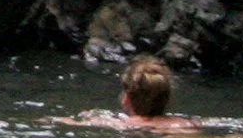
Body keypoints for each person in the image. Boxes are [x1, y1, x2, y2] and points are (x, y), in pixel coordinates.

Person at [54, 54, 200, 133]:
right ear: (166, 99)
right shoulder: (186, 123)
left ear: (127, 98)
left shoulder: (120, 124)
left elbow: (70, 122)